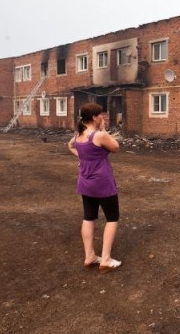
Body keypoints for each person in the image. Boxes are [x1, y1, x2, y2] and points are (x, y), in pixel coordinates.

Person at [68, 102, 122, 273]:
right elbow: (116, 147)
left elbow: (70, 145)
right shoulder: (99, 135)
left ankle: (90, 256)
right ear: (94, 117)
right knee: (112, 218)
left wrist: (83, 159)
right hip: (102, 183)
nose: (103, 117)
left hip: (85, 183)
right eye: (101, 115)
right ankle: (105, 259)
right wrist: (104, 130)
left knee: (88, 217)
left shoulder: (78, 135)